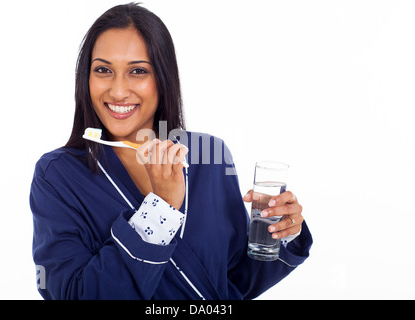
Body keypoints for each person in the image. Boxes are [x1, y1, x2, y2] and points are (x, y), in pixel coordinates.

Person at [30, 3, 312, 300]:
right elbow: (69, 294)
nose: (117, 91)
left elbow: (233, 281)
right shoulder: (57, 175)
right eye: (103, 70)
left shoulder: (210, 154)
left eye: (138, 71)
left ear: (163, 78)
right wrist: (160, 210)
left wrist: (280, 232)